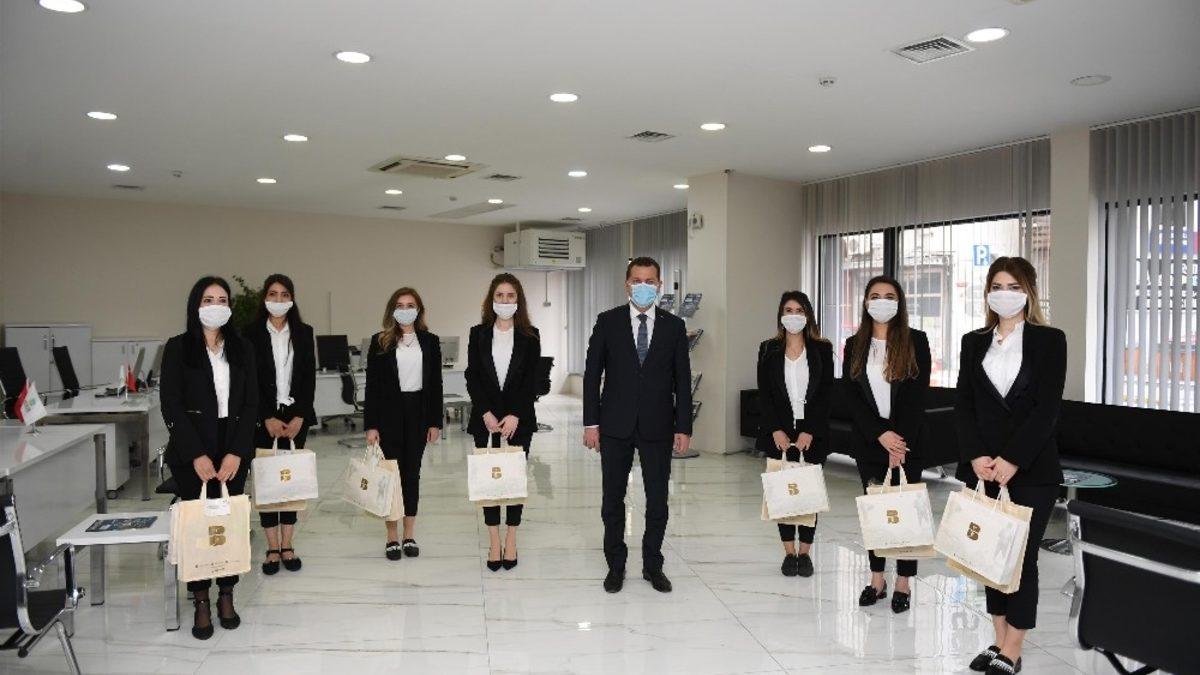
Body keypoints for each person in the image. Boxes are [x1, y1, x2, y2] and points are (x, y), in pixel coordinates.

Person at [957, 257, 1065, 675]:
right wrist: (975, 455)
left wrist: (1013, 458)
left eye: (1014, 286)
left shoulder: (1049, 340)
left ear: (1029, 292)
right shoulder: (973, 342)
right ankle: (998, 639)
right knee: (989, 556)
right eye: (998, 286)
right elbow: (965, 405)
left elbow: (1046, 410)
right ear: (988, 292)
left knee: (1020, 559)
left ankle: (1014, 649)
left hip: (1032, 470)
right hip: (983, 469)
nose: (1005, 294)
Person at [583, 256, 692, 594]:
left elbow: (682, 380)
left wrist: (683, 427)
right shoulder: (608, 321)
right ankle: (615, 566)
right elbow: (592, 375)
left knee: (657, 500)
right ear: (626, 284)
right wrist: (591, 423)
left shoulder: (674, 327)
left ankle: (652, 565)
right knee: (612, 500)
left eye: (650, 281)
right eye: (637, 280)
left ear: (659, 285)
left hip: (658, 425)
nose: (643, 286)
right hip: (614, 424)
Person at [159, 276, 258, 640]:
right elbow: (171, 404)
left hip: (232, 447)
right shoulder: (177, 347)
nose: (216, 305)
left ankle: (226, 593)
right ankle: (200, 598)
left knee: (228, 523)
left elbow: (252, 403)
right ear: (195, 305)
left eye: (222, 299)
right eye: (208, 299)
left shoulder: (242, 348)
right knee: (199, 526)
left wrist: (237, 452)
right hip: (192, 450)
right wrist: (195, 454)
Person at [842, 275, 930, 614]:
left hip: (908, 443)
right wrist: (880, 434)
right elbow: (851, 396)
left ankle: (903, 582)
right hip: (869, 443)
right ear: (866, 302)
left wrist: (898, 443)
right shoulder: (854, 344)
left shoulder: (916, 340)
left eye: (889, 296)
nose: (882, 301)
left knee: (906, 515)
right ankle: (877, 579)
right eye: (875, 295)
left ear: (899, 302)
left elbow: (917, 396)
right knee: (875, 514)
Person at [464, 273, 541, 571]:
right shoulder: (478, 333)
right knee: (489, 481)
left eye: (510, 296)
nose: (505, 300)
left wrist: (515, 414)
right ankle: (494, 541)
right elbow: (473, 376)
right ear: (491, 300)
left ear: (518, 300)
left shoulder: (530, 335)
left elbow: (532, 380)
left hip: (518, 420)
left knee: (514, 480)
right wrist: (485, 412)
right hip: (486, 420)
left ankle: (511, 539)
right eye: (500, 295)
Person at [755, 291, 833, 577]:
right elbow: (764, 394)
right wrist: (775, 428)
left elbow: (826, 394)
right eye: (788, 310)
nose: (794, 315)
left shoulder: (822, 349)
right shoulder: (768, 348)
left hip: (812, 432)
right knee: (783, 494)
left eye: (799, 310)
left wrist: (810, 430)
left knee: (809, 494)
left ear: (808, 315)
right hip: (780, 432)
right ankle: (789, 553)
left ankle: (805, 553)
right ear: (780, 315)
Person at [363, 287, 443, 561]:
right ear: (392, 310)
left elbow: (436, 384)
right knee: (390, 476)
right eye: (400, 305)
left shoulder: (430, 341)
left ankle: (409, 534)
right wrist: (371, 425)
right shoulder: (380, 341)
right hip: (388, 416)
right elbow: (372, 386)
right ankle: (391, 536)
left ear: (418, 310)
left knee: (412, 475)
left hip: (419, 414)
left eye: (410, 305)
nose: (405, 309)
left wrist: (435, 421)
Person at [244, 274, 316, 575]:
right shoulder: (249, 334)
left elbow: (308, 377)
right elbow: (248, 380)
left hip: (295, 417)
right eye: (273, 294)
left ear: (292, 299)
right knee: (267, 483)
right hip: (263, 418)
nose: (278, 300)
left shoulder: (303, 332)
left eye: (284, 294)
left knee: (290, 481)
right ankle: (272, 547)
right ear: (265, 298)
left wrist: (300, 415)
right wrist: (266, 416)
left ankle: (288, 544)